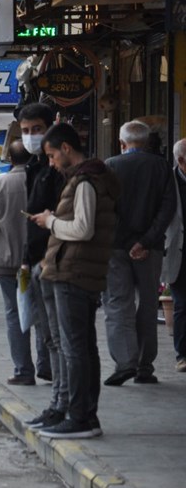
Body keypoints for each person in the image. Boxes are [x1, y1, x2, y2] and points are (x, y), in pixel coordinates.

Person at [30, 122, 119, 439]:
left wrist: (50, 221)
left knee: (75, 348)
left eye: (53, 155)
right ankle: (81, 415)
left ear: (66, 148)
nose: (52, 163)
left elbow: (83, 229)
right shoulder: (91, 178)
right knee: (81, 347)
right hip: (79, 271)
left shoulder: (85, 181)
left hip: (74, 272)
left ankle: (80, 417)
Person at [102, 120, 175, 386]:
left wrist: (126, 239)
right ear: (146, 142)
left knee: (117, 303)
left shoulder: (110, 165)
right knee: (147, 305)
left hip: (115, 247)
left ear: (122, 143)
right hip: (150, 249)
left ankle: (124, 362)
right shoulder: (161, 166)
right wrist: (145, 241)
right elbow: (168, 208)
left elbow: (104, 209)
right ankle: (145, 366)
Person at [0, 141, 39, 384]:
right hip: (41, 260)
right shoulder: (43, 181)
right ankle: (46, 366)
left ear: (9, 159)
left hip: (8, 263)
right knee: (43, 313)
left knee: (15, 313)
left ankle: (23, 369)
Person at [19, 102, 66, 431]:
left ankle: (68, 405)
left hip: (56, 262)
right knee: (50, 338)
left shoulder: (63, 172)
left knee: (62, 340)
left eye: (37, 130)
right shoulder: (36, 167)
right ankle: (58, 403)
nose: (31, 137)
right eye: (25, 131)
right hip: (37, 261)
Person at [162, 139, 186, 373]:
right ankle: (182, 354)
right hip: (178, 250)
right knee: (181, 304)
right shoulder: (167, 181)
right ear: (181, 161)